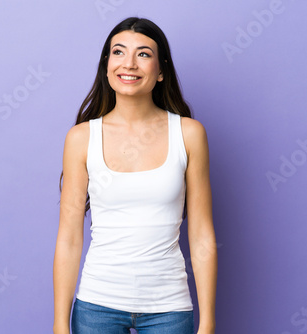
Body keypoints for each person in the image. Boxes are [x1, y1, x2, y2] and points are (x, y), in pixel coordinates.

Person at [53, 17, 217, 334]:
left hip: (168, 308)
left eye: (143, 54)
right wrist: (61, 323)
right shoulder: (81, 138)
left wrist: (207, 321)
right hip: (96, 306)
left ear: (161, 71)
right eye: (118, 52)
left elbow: (202, 236)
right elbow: (69, 238)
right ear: (106, 65)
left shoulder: (189, 134)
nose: (129, 63)